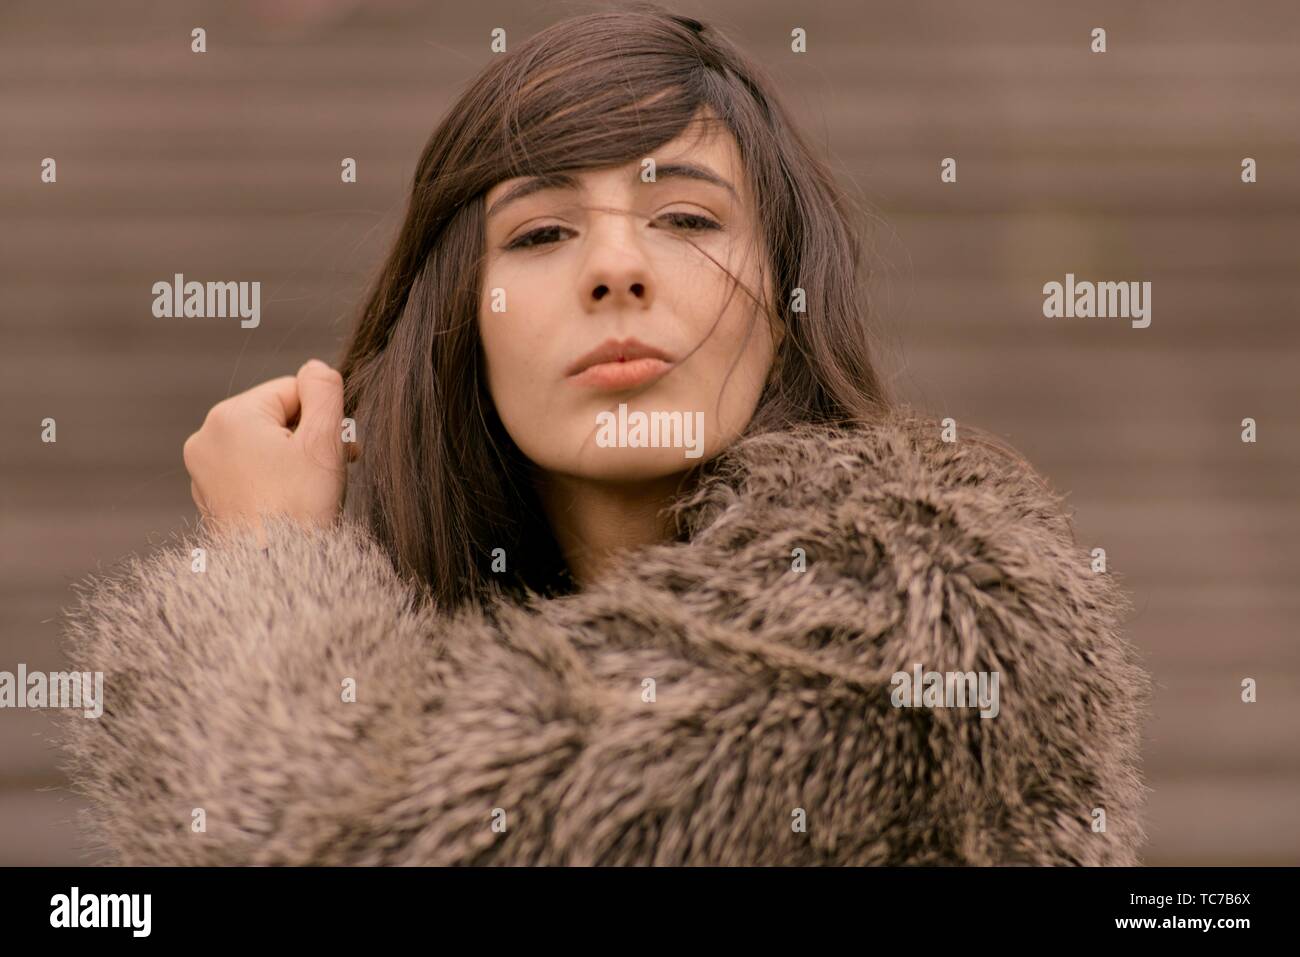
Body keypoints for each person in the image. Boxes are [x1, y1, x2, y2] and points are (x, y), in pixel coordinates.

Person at [55, 4, 1153, 865]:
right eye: (539, 232)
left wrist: (264, 561)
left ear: (786, 301)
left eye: (684, 219)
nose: (615, 267)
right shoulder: (414, 670)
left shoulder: (930, 600)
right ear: (459, 326)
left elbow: (344, 842)